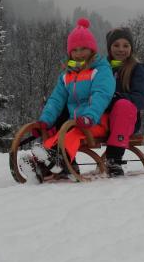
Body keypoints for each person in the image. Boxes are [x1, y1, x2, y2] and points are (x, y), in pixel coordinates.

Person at [19, 18, 115, 182]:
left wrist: (90, 116)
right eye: (75, 50)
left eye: (84, 48)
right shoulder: (67, 76)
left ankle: (59, 160)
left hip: (97, 121)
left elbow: (101, 95)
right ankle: (39, 165)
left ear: (92, 49)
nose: (79, 53)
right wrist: (45, 120)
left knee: (71, 134)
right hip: (74, 122)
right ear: (69, 52)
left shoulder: (101, 70)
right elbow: (56, 100)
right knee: (55, 137)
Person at [103, 27, 144, 176]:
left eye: (126, 45)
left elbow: (142, 97)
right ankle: (61, 159)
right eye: (116, 45)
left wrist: (119, 98)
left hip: (127, 119)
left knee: (123, 105)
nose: (121, 49)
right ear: (109, 48)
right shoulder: (101, 68)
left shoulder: (137, 69)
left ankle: (114, 159)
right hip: (102, 118)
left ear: (131, 48)